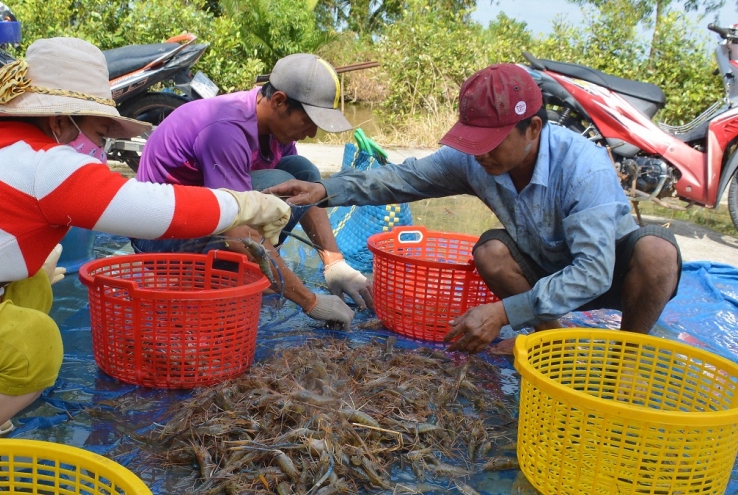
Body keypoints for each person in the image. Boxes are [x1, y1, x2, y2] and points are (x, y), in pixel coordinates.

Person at [0, 36, 289, 475]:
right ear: (62, 121)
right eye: (99, 134)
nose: (99, 150)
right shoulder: (45, 164)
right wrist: (248, 204)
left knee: (32, 283)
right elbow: (158, 209)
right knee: (33, 343)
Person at [266, 63, 682, 354]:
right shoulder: (473, 159)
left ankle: (630, 357)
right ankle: (552, 344)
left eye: (491, 142)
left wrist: (503, 312)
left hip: (609, 271)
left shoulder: (583, 167)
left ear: (533, 129)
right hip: (543, 264)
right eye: (472, 140)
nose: (479, 154)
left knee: (658, 254)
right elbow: (400, 179)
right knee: (491, 252)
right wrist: (323, 190)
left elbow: (591, 271)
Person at [133, 53, 372, 330]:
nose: (311, 135)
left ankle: (286, 268)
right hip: (162, 241)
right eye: (307, 122)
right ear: (279, 101)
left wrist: (335, 265)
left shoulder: (272, 126)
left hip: (203, 219)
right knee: (281, 179)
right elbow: (237, 231)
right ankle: (244, 271)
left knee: (302, 173)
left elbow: (300, 186)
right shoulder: (225, 130)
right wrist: (310, 301)